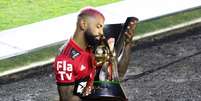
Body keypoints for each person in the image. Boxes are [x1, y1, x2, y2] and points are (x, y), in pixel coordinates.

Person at [52, 7, 137, 101]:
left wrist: (127, 45)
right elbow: (67, 98)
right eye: (98, 26)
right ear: (83, 24)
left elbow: (118, 75)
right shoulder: (65, 60)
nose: (101, 32)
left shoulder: (94, 47)